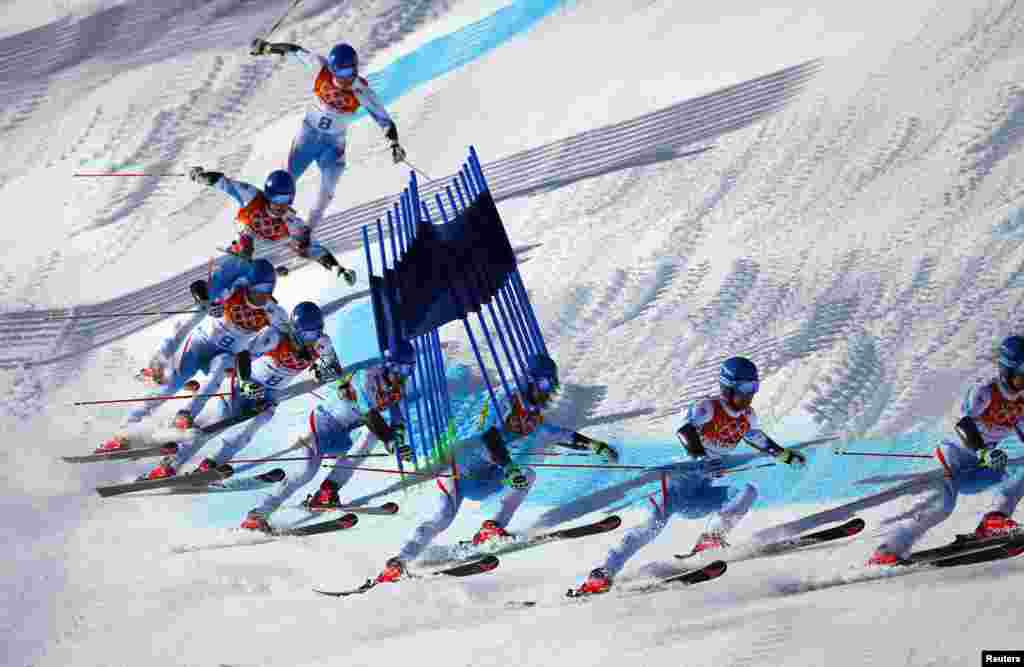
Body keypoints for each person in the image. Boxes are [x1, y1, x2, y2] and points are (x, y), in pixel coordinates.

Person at [569, 356, 806, 596]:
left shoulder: (748, 416)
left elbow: (756, 437)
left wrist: (784, 455)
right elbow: (685, 432)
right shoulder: (708, 407)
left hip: (699, 492)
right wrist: (703, 458)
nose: (749, 395)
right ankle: (603, 573)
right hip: (672, 486)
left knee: (747, 492)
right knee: (651, 528)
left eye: (753, 388)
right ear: (727, 386)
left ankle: (712, 536)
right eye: (744, 388)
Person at [371, 353, 615, 584]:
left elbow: (552, 432)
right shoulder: (504, 399)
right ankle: (399, 561)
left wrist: (594, 445)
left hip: (486, 474)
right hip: (460, 470)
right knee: (442, 517)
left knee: (528, 475)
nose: (548, 391)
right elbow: (489, 438)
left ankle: (492, 529)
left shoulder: (531, 408)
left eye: (552, 385)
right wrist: (509, 468)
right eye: (544, 385)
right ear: (530, 380)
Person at [97, 258, 287, 466]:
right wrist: (207, 300)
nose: (262, 296)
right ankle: (124, 432)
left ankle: (185, 416)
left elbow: (290, 334)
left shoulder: (273, 311)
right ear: (249, 284)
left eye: (267, 291)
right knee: (169, 387)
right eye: (258, 290)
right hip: (200, 345)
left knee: (222, 365)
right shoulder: (234, 290)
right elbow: (197, 287)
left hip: (223, 355)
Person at [868, 336, 1024, 565]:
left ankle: (994, 520)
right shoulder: (985, 390)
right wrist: (982, 452)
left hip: (979, 466)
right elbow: (963, 424)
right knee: (942, 505)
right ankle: (889, 549)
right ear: (1006, 370)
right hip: (952, 457)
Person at [239, 344, 416, 532]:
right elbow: (369, 415)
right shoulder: (367, 377)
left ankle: (328, 490)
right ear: (390, 364)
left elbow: (397, 419)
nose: (404, 374)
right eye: (402, 368)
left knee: (371, 436)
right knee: (306, 472)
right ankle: (258, 514)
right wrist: (389, 440)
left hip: (341, 435)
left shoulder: (398, 388)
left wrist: (399, 443)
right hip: (320, 425)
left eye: (409, 368)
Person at [248, 40, 406, 227]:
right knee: (285, 180)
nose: (347, 78)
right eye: (341, 73)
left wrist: (394, 144)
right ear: (332, 69)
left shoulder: (361, 91)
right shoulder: (320, 68)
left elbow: (384, 119)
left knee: (328, 186)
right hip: (308, 137)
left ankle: (309, 228)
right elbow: (294, 51)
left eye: (351, 72)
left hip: (333, 144)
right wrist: (267, 47)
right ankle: (261, 222)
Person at [187, 167, 356, 283]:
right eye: (275, 200)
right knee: (247, 238)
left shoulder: (293, 223)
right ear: (267, 195)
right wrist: (199, 176)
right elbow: (223, 182)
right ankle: (244, 259)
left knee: (277, 248)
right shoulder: (252, 196)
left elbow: (316, 250)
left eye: (285, 200)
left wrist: (339, 270)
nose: (280, 206)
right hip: (243, 236)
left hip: (264, 250)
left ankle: (264, 270)